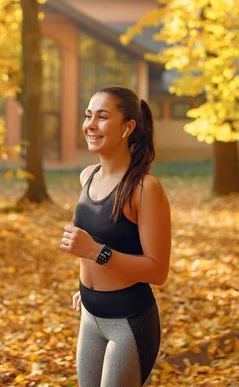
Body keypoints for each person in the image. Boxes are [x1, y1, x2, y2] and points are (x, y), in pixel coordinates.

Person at [59, 86, 172, 387]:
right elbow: (106, 237)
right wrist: (88, 285)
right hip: (90, 315)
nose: (90, 125)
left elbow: (158, 270)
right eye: (88, 116)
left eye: (103, 117)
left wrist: (96, 253)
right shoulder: (87, 176)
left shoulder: (145, 188)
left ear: (128, 127)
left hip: (129, 322)